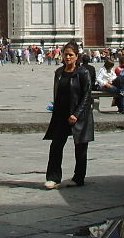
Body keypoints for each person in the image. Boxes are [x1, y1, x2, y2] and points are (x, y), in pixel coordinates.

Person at [43, 41, 94, 189]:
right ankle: (53, 178)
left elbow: (86, 95)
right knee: (56, 146)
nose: (68, 58)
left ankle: (78, 178)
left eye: (71, 55)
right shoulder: (59, 73)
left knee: (80, 148)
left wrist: (77, 114)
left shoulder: (83, 73)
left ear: (77, 56)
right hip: (61, 115)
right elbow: (57, 93)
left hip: (79, 116)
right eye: (66, 55)